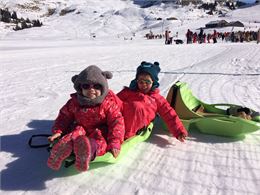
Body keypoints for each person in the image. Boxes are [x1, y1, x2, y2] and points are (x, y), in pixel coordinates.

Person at [47, 65, 125, 172]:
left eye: (96, 86)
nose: (91, 89)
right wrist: (58, 131)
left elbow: (117, 122)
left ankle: (88, 151)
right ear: (80, 88)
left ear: (103, 88)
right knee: (73, 135)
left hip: (100, 130)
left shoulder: (108, 104)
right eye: (86, 86)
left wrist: (115, 142)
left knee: (100, 142)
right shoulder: (74, 102)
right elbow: (64, 116)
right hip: (80, 128)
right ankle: (61, 151)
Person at [117, 61, 188, 142]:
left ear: (153, 82)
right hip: (120, 122)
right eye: (140, 81)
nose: (144, 85)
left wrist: (179, 131)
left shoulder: (156, 98)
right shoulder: (128, 92)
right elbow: (114, 103)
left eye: (147, 82)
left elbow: (169, 114)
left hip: (134, 125)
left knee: (137, 106)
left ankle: (124, 136)